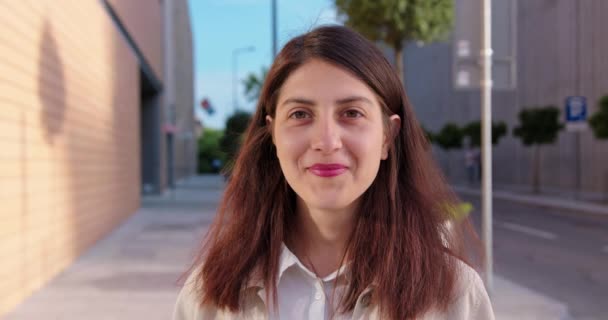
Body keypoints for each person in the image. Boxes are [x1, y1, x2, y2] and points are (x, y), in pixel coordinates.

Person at [173, 25, 494, 320]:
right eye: (300, 114)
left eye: (351, 113)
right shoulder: (209, 296)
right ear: (272, 135)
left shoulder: (454, 296)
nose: (326, 142)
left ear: (388, 136)